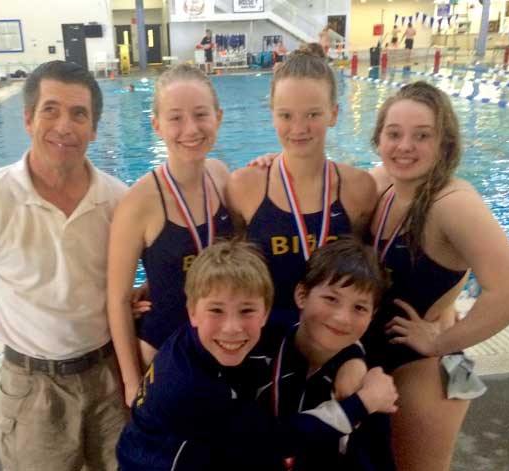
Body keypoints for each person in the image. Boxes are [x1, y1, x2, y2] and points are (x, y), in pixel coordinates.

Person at [0, 60, 129, 471]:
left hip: (107, 375)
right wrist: (34, 327)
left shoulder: (118, 202)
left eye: (79, 114)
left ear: (94, 128)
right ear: (28, 119)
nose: (64, 126)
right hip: (31, 385)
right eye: (51, 110)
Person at [363, 81, 509, 470]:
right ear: (379, 139)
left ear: (444, 144)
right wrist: (272, 163)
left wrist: (441, 341)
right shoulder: (385, 185)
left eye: (422, 136)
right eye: (394, 134)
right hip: (376, 356)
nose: (404, 146)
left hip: (417, 369)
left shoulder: (452, 203)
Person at [116, 240, 398, 470]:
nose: (232, 328)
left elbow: (317, 327)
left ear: (263, 313)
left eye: (247, 311)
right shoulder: (187, 384)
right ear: (192, 312)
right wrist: (362, 403)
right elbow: (273, 441)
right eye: (216, 310)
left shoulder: (246, 335)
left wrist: (353, 356)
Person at [107, 63, 233, 406]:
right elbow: (117, 300)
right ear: (157, 125)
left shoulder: (222, 177)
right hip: (162, 355)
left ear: (218, 117)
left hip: (224, 347)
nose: (190, 128)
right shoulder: (139, 203)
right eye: (176, 117)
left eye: (200, 114)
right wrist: (133, 385)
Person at [227, 43, 377, 328]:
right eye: (286, 115)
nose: (298, 128)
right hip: (264, 341)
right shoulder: (245, 187)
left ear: (333, 114)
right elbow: (227, 266)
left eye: (313, 114)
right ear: (272, 114)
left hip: (333, 338)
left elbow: (367, 271)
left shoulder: (359, 189)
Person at [257, 236, 398, 470]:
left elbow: (378, 460)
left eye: (360, 308)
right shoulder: (258, 351)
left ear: (372, 316)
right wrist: (358, 403)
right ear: (301, 295)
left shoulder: (371, 387)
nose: (342, 318)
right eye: (331, 299)